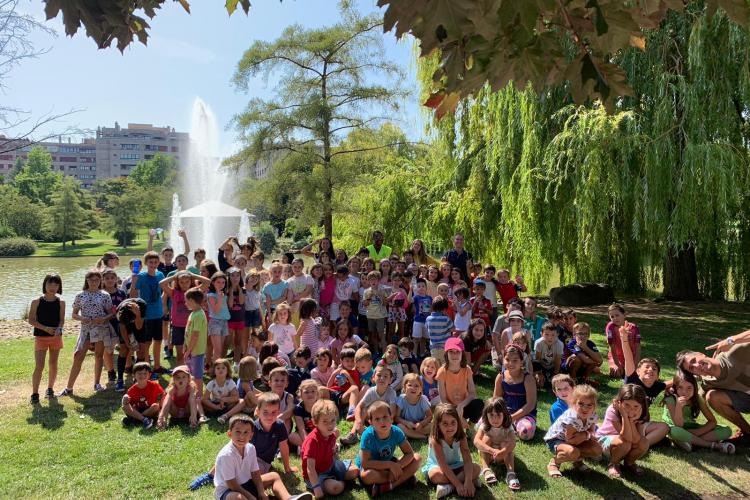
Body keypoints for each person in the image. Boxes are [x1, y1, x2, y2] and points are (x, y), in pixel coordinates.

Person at [213, 414, 312, 500]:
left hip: (247, 483)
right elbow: (232, 484)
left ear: (251, 435)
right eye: (238, 432)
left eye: (246, 432)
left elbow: (255, 473)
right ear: (229, 434)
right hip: (229, 490)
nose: (242, 436)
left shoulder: (251, 448)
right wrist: (249, 496)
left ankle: (288, 498)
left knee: (274, 476)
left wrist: (261, 491)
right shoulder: (226, 455)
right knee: (238, 498)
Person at [677, 332, 750, 446]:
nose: (697, 365)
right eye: (692, 368)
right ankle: (748, 432)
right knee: (713, 397)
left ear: (702, 354)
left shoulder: (732, 351)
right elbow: (696, 396)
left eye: (694, 360)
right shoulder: (709, 381)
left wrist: (732, 339)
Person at [59, 270, 114, 396]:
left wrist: (103, 318)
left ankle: (97, 383)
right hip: (86, 330)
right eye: (91, 280)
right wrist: (82, 318)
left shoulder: (105, 295)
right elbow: (73, 314)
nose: (94, 282)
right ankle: (69, 388)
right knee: (78, 357)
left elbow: (111, 313)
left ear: (100, 281)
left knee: (99, 356)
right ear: (86, 281)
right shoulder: (80, 295)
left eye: (96, 280)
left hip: (100, 329)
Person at [357, 400, 421, 497]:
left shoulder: (396, 431)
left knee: (417, 458)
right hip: (373, 467)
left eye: (385, 417)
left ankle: (388, 486)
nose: (382, 421)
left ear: (391, 418)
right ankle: (404, 478)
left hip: (389, 464)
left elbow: (409, 453)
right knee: (366, 476)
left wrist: (397, 466)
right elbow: (365, 463)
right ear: (371, 423)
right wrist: (390, 465)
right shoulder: (367, 436)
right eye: (377, 419)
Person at [662, 370, 734, 453]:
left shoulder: (697, 399)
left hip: (691, 428)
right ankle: (712, 445)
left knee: (726, 430)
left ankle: (689, 441)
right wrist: (679, 406)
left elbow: (712, 421)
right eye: (680, 388)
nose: (684, 392)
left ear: (694, 387)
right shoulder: (670, 399)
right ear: (675, 388)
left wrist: (697, 432)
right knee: (675, 432)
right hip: (676, 428)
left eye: (689, 388)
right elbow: (679, 425)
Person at [620, 330, 670, 445]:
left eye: (654, 369)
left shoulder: (657, 386)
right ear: (638, 371)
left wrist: (669, 389)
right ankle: (641, 444)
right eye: (647, 367)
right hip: (624, 421)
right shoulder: (632, 380)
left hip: (640, 424)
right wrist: (624, 339)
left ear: (657, 376)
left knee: (665, 427)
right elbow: (628, 358)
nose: (650, 370)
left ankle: (642, 445)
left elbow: (674, 380)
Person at [301, 400, 359, 498]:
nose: (330, 425)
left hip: (331, 467)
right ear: (315, 422)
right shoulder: (312, 441)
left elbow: (332, 452)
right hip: (317, 475)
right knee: (335, 488)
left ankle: (338, 479)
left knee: (356, 471)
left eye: (332, 420)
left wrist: (337, 462)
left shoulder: (331, 434)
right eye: (325, 421)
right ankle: (343, 483)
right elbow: (310, 468)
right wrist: (316, 487)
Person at [422, 403, 481, 498]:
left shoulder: (461, 436)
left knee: (476, 468)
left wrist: (468, 481)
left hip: (456, 465)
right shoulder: (435, 439)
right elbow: (443, 465)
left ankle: (448, 487)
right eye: (445, 423)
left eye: (453, 422)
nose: (450, 427)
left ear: (458, 422)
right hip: (438, 467)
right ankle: (458, 483)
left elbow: (467, 459)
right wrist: (458, 484)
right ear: (438, 425)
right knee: (435, 475)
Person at [544, 384, 602, 478]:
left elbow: (591, 431)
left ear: (594, 406)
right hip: (557, 440)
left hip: (577, 438)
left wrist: (588, 436)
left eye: (589, 405)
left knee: (597, 449)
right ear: (574, 403)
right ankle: (555, 462)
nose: (585, 408)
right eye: (581, 404)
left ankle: (577, 460)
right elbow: (569, 440)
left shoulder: (592, 415)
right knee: (572, 452)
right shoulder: (572, 417)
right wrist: (585, 435)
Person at [596, 384, 650, 478]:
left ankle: (629, 463)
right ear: (619, 402)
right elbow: (626, 437)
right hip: (605, 440)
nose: (631, 410)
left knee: (644, 443)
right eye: (627, 405)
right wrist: (625, 416)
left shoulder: (642, 413)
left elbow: (637, 439)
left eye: (636, 406)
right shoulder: (613, 410)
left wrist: (631, 421)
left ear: (641, 405)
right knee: (625, 442)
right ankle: (613, 463)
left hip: (625, 442)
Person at [160, 271, 210, 366]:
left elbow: (207, 282)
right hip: (177, 326)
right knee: (180, 354)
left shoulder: (194, 292)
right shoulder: (174, 292)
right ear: (177, 282)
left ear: (190, 281)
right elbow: (161, 283)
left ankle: (192, 372)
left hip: (192, 327)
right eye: (181, 282)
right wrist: (174, 277)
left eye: (187, 281)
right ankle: (180, 371)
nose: (184, 284)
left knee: (193, 352)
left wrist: (192, 275)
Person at [130, 251, 168, 376]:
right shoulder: (140, 276)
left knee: (158, 340)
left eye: (156, 262)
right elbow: (133, 295)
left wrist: (162, 302)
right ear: (146, 263)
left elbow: (165, 290)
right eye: (150, 262)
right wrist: (134, 282)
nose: (153, 264)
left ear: (158, 262)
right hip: (145, 314)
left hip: (158, 313)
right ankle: (147, 367)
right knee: (147, 342)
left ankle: (157, 366)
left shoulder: (160, 274)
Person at [29, 274, 65, 403]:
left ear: (59, 286)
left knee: (53, 364)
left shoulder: (61, 302)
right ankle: (34, 393)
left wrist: (59, 329)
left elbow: (61, 320)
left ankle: (50, 389)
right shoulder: (36, 301)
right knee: (39, 365)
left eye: (56, 284)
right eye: (50, 284)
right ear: (44, 284)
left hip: (56, 337)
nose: (52, 287)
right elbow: (31, 320)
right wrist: (46, 329)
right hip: (40, 337)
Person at [493, 344, 538, 441]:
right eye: (507, 359)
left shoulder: (528, 378)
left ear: (521, 362)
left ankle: (511, 427)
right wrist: (499, 415)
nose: (510, 363)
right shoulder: (500, 377)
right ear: (503, 360)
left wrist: (512, 418)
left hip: (524, 415)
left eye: (515, 360)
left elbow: (530, 404)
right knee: (480, 425)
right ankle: (509, 428)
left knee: (527, 432)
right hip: (504, 414)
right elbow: (496, 400)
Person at [474, 397, 518, 490]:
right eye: (491, 415)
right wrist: (491, 450)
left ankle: (510, 473)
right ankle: (486, 469)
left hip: (503, 455)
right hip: (488, 454)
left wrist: (503, 451)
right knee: (486, 438)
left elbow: (513, 443)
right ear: (486, 415)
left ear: (504, 414)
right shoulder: (485, 425)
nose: (495, 419)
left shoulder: (508, 426)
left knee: (506, 444)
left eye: (498, 415)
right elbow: (476, 441)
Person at [436, 337, 484, 424]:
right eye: (451, 352)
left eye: (457, 352)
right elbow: (443, 398)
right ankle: (460, 423)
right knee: (441, 413)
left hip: (464, 405)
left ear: (462, 354)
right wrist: (455, 410)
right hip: (449, 406)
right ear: (446, 354)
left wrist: (461, 406)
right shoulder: (442, 372)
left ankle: (470, 427)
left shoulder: (467, 369)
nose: (454, 355)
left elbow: (472, 393)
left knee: (478, 403)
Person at [121, 362, 164, 429]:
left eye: (145, 373)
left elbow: (162, 395)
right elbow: (130, 406)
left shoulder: (154, 385)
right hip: (137, 410)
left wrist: (161, 412)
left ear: (149, 375)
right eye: (139, 373)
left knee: (155, 406)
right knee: (124, 406)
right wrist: (126, 401)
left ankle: (136, 420)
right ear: (134, 375)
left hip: (150, 410)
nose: (142, 375)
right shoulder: (131, 390)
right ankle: (145, 420)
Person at [184, 287, 209, 399]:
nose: (185, 303)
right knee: (191, 373)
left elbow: (195, 335)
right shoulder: (193, 313)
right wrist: (186, 347)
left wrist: (189, 350)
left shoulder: (199, 315)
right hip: (191, 350)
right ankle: (193, 393)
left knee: (198, 376)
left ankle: (199, 397)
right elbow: (188, 333)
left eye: (186, 301)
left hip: (196, 351)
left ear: (193, 301)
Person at [157, 364, 198, 429]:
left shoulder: (190, 388)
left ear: (188, 379)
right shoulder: (173, 388)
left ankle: (193, 420)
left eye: (184, 377)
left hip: (187, 412)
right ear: (174, 380)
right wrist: (161, 416)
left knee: (194, 399)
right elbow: (166, 402)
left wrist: (193, 416)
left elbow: (192, 401)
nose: (181, 380)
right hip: (175, 412)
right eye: (178, 377)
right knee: (167, 398)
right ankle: (163, 420)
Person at [606, 303, 640, 378]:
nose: (615, 318)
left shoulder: (634, 328)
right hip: (617, 357)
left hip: (630, 356)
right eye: (612, 317)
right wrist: (617, 364)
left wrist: (635, 364)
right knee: (617, 373)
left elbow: (637, 348)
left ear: (624, 314)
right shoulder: (610, 327)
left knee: (636, 374)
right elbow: (612, 347)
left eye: (617, 315)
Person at [395, 373, 433, 439]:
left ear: (421, 389)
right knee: (399, 427)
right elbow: (396, 417)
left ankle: (410, 434)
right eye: (410, 385)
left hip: (420, 426)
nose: (413, 388)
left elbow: (430, 416)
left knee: (433, 426)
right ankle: (422, 436)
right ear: (404, 387)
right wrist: (406, 423)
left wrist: (421, 424)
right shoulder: (402, 399)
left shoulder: (422, 399)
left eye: (416, 386)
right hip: (406, 425)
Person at [289, 379, 320, 448]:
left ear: (317, 394)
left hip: (319, 432)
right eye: (306, 392)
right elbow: (301, 428)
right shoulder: (298, 408)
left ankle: (307, 447)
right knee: (291, 436)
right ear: (301, 394)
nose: (310, 394)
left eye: (313, 391)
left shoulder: (321, 406)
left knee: (335, 431)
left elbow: (324, 425)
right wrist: (307, 441)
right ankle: (309, 446)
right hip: (304, 434)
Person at [363, 271, 388, 355]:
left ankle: (384, 353)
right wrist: (369, 298)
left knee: (381, 334)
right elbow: (365, 305)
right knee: (373, 334)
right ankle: (376, 352)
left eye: (375, 280)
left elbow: (385, 304)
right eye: (371, 280)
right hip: (370, 316)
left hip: (380, 316)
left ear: (378, 281)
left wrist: (381, 296)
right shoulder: (366, 291)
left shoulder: (382, 290)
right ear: (368, 281)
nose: (373, 281)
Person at [533, 321, 564, 388]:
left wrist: (555, 374)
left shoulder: (560, 344)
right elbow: (537, 359)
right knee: (539, 384)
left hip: (553, 366)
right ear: (541, 334)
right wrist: (539, 373)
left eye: (553, 335)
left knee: (555, 383)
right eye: (547, 334)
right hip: (541, 366)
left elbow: (557, 361)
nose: (550, 337)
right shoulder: (538, 343)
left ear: (557, 334)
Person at [427, 297, 454, 366]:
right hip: (444, 346)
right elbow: (453, 329)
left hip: (433, 346)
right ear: (444, 309)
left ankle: (436, 376)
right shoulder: (446, 319)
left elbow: (427, 327)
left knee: (436, 364)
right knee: (444, 364)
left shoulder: (428, 319)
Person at [244, 271, 263, 337]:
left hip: (256, 313)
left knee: (257, 333)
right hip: (246, 313)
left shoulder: (257, 291)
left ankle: (255, 345)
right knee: (246, 333)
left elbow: (259, 304)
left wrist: (261, 317)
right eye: (252, 277)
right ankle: (248, 346)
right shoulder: (243, 290)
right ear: (247, 277)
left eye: (256, 279)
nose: (254, 280)